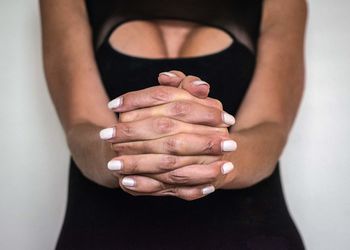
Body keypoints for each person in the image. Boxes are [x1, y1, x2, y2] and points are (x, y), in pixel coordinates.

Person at [39, 0, 307, 249]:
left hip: (249, 232)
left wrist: (214, 160)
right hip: (103, 232)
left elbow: (269, 127)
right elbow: (81, 126)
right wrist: (122, 153)